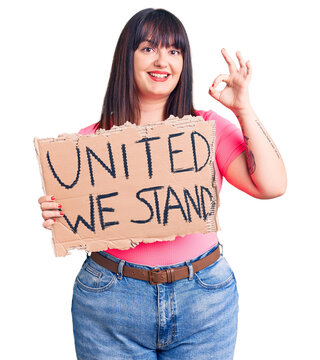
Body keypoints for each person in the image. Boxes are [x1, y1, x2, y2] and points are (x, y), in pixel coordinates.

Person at [38, 8, 287, 360]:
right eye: (148, 48)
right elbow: (73, 215)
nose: (162, 61)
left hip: (204, 300)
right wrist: (57, 211)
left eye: (174, 51)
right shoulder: (89, 145)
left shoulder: (207, 129)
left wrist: (242, 107)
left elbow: (272, 185)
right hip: (110, 302)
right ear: (127, 56)